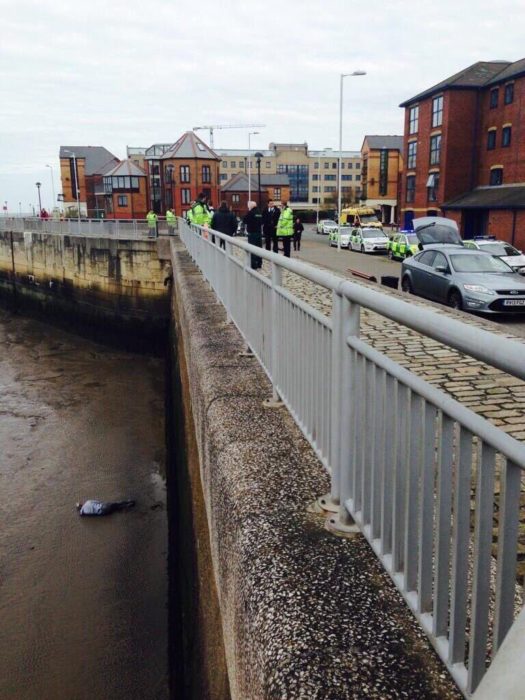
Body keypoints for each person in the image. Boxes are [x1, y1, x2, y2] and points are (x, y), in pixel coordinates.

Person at [243, 200, 263, 269]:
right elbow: (261, 222)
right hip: (259, 233)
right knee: (259, 249)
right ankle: (259, 263)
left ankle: (253, 265)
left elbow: (244, 220)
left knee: (252, 249)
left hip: (252, 233)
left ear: (251, 206)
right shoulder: (259, 212)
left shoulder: (250, 212)